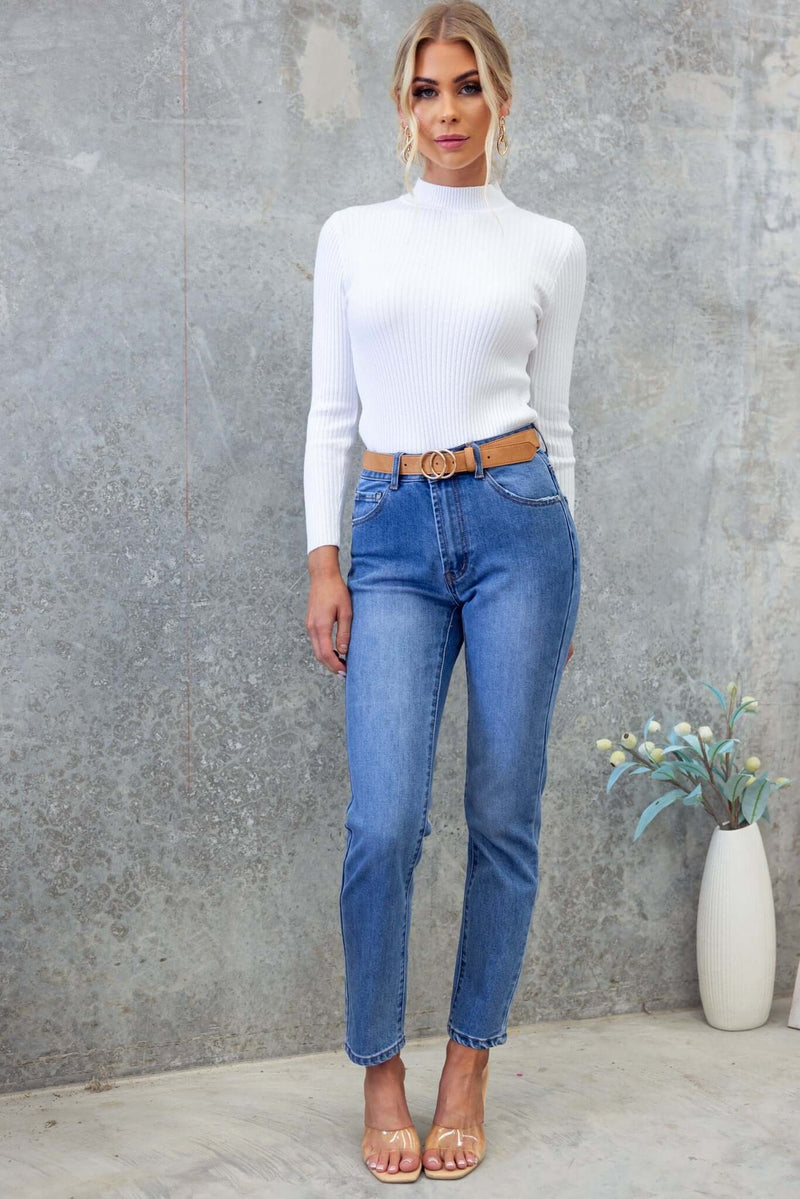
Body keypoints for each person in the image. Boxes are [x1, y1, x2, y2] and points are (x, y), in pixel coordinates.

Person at [303, 1, 586, 1182]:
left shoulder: (550, 245)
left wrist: (568, 577)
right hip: (388, 531)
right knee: (383, 822)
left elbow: (554, 419)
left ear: (500, 100)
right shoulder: (353, 234)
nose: (448, 109)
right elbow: (331, 411)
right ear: (401, 106)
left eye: (468, 86)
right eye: (426, 88)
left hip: (522, 525)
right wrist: (324, 559)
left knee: (503, 814)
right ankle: (381, 1070)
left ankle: (468, 1064)